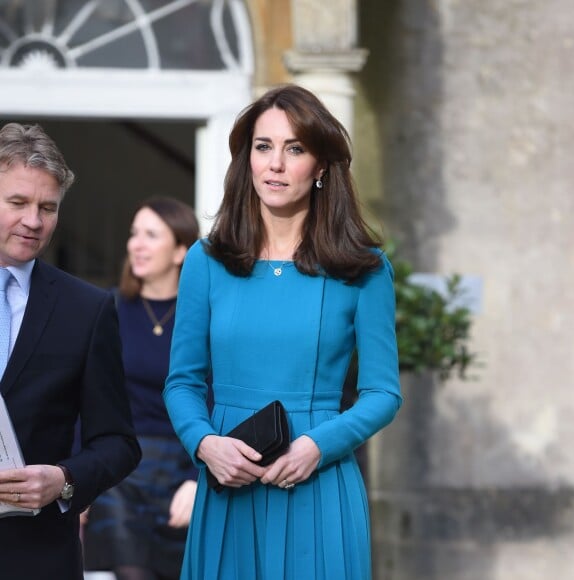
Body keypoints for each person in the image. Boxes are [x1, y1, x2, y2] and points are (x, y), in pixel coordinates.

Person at [163, 84, 403, 579]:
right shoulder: (205, 263)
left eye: (294, 149)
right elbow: (182, 382)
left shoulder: (364, 269)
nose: (275, 163)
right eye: (263, 146)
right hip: (228, 483)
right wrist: (206, 444)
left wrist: (319, 446)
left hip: (319, 483)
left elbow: (383, 392)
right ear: (247, 159)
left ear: (320, 168)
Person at [0, 122, 141, 580]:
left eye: (48, 207)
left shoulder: (88, 308)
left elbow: (118, 443)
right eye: (17, 202)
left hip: (35, 557)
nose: (34, 221)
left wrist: (63, 481)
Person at [83, 196, 202, 580]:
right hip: (120, 469)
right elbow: (84, 400)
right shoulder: (108, 309)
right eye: (134, 234)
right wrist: (74, 478)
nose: (136, 244)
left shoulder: (202, 317)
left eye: (151, 235)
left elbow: (217, 399)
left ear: (181, 250)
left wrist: (200, 478)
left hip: (184, 467)